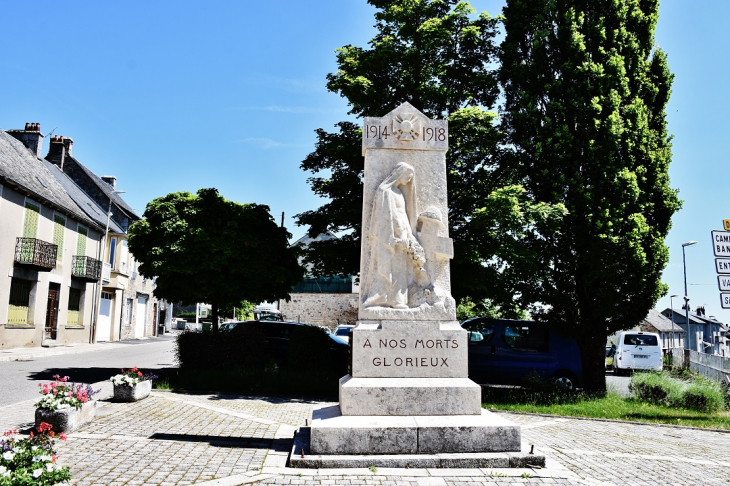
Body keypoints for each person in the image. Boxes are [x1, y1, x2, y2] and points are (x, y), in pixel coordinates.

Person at [363, 162, 427, 309]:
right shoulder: (385, 191)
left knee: (400, 268)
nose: (409, 180)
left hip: (403, 235)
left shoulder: (398, 193)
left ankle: (398, 300)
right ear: (400, 173)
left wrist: (409, 235)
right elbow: (388, 217)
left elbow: (402, 216)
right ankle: (382, 299)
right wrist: (397, 236)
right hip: (390, 236)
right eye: (408, 176)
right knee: (390, 267)